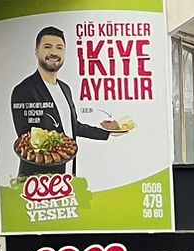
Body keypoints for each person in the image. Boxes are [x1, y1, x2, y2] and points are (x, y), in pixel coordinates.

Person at [10, 24, 126, 178]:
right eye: (47, 47)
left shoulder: (65, 89)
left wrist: (107, 132)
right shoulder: (23, 90)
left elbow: (74, 127)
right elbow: (26, 138)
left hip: (67, 176)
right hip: (37, 182)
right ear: (37, 52)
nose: (54, 52)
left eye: (59, 48)